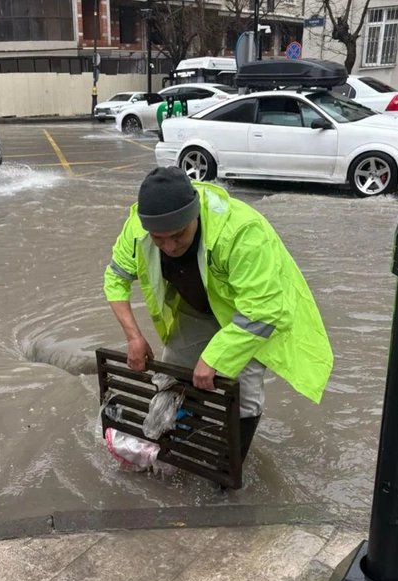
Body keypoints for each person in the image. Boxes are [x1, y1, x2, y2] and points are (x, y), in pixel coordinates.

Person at [104, 167, 333, 463]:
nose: (170, 247)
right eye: (159, 239)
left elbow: (264, 310)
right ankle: (174, 444)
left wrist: (215, 358)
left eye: (178, 235)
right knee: (172, 375)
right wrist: (133, 336)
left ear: (195, 215)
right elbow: (115, 279)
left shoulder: (242, 232)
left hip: (248, 315)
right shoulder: (137, 228)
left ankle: (229, 469)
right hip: (195, 305)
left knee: (243, 393)